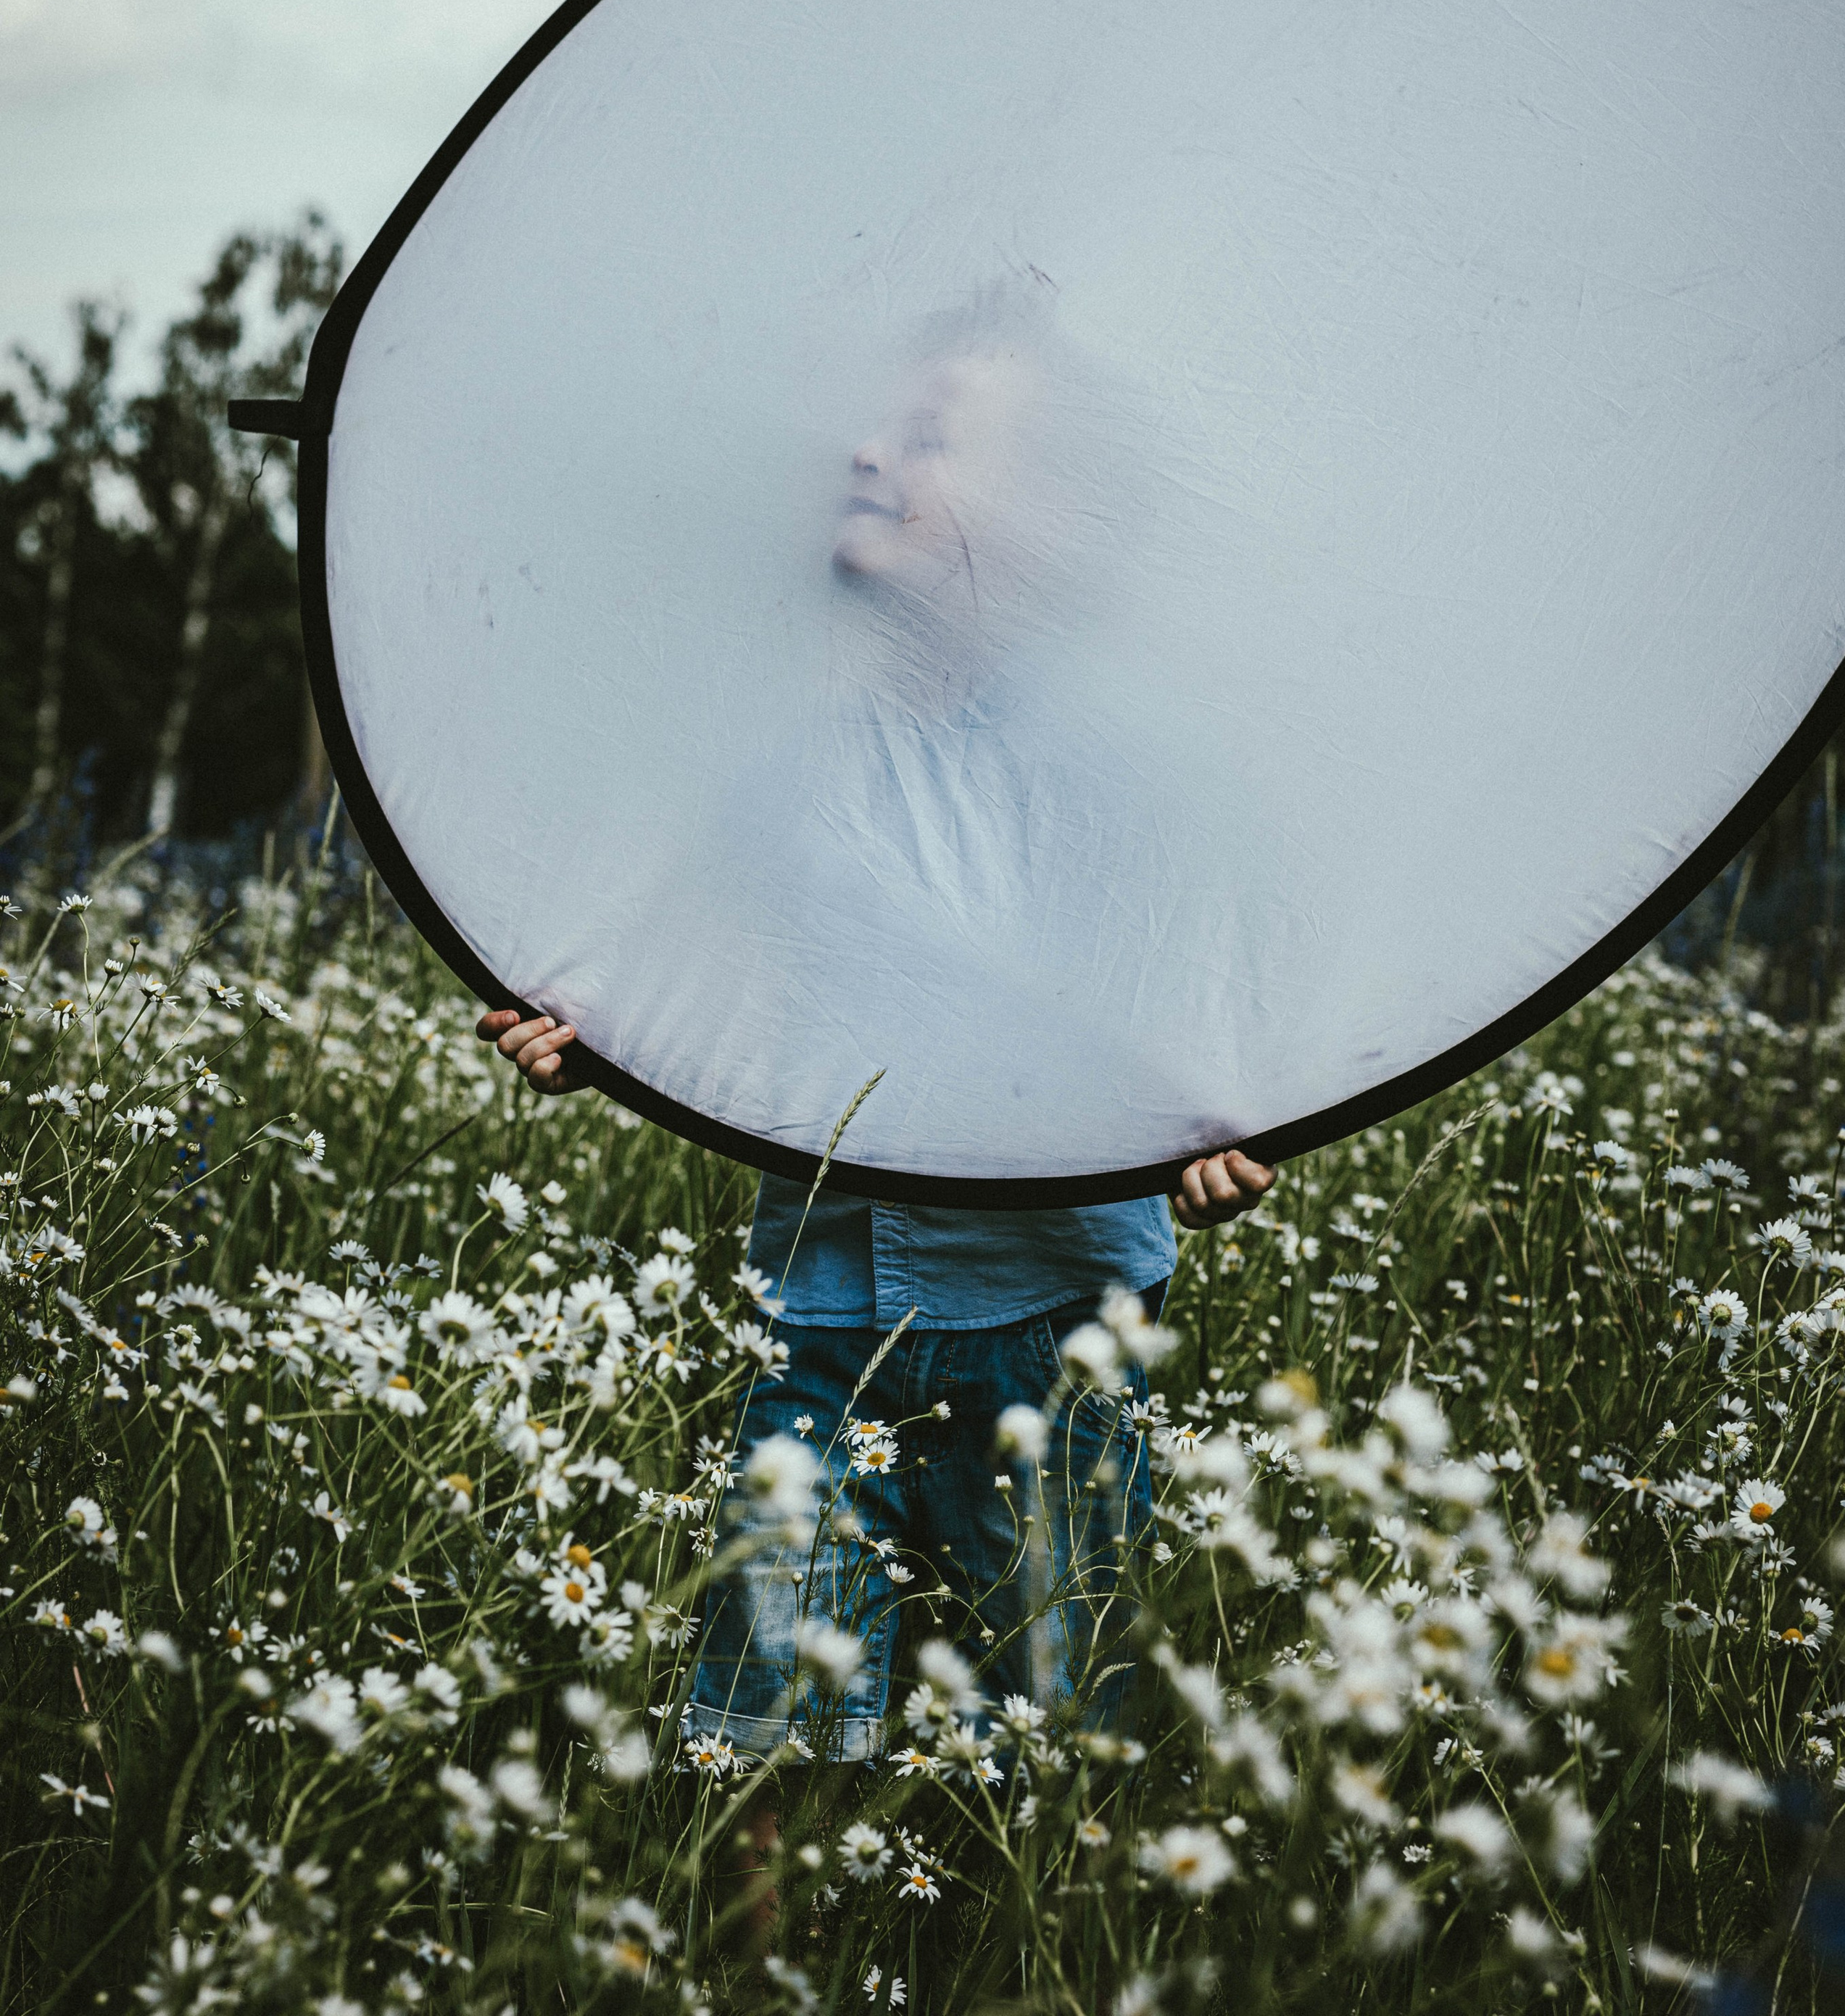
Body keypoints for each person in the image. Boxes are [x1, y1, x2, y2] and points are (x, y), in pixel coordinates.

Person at [477, 281, 1279, 1756]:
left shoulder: (1115, 776)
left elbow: (1189, 1019)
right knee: (769, 1716)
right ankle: (770, 1957)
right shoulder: (791, 764)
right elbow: (675, 951)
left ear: (1047, 515)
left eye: (926, 435)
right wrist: (580, 1021)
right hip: (821, 1326)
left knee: (1057, 1723)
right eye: (869, 423)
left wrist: (1212, 1141)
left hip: (1053, 1335)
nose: (864, 452)